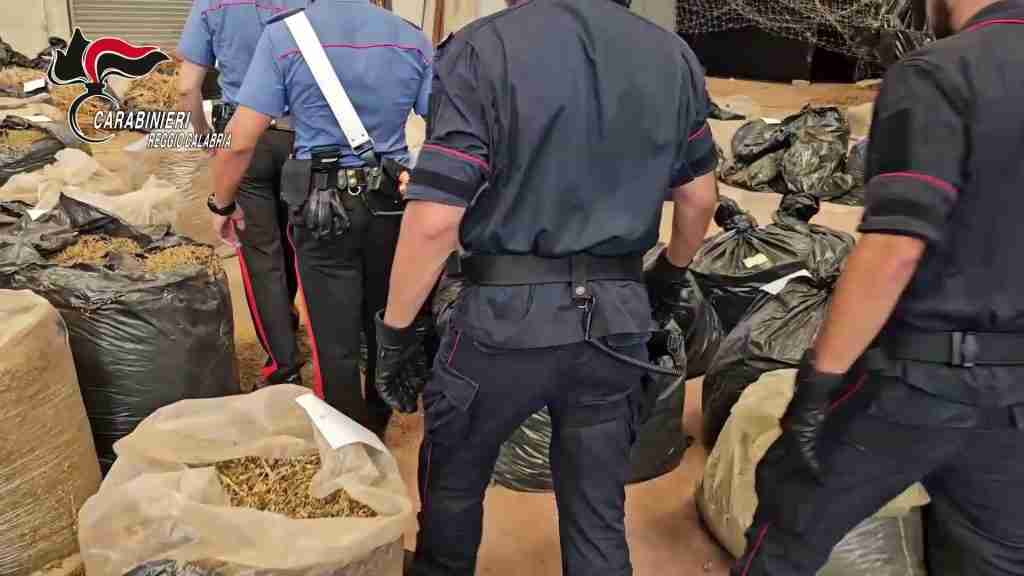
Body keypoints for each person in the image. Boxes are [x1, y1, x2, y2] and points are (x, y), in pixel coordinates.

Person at [371, 0, 720, 573]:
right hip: (616, 320)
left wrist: (396, 333)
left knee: (454, 481)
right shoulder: (672, 55)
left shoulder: (483, 48)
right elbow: (699, 198)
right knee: (597, 508)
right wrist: (666, 278)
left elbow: (435, 221)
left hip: (502, 321)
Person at [730, 1, 1024, 574]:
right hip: (1015, 393)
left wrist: (817, 385)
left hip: (917, 380)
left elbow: (895, 247)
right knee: (994, 556)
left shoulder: (941, 71)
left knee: (792, 520)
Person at [207, 0, 433, 436]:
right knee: (384, 317)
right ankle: (379, 421)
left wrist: (222, 204)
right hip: (392, 201)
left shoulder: (285, 36)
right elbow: (446, 126)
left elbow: (239, 142)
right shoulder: (411, 38)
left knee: (333, 338)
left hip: (322, 207)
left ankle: (349, 440)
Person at [178, 0, 307, 387]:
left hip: (244, 137)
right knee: (299, 244)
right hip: (305, 137)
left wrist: (206, 138)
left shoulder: (211, 4)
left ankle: (283, 367)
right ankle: (292, 323)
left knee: (260, 254)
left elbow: (186, 87)